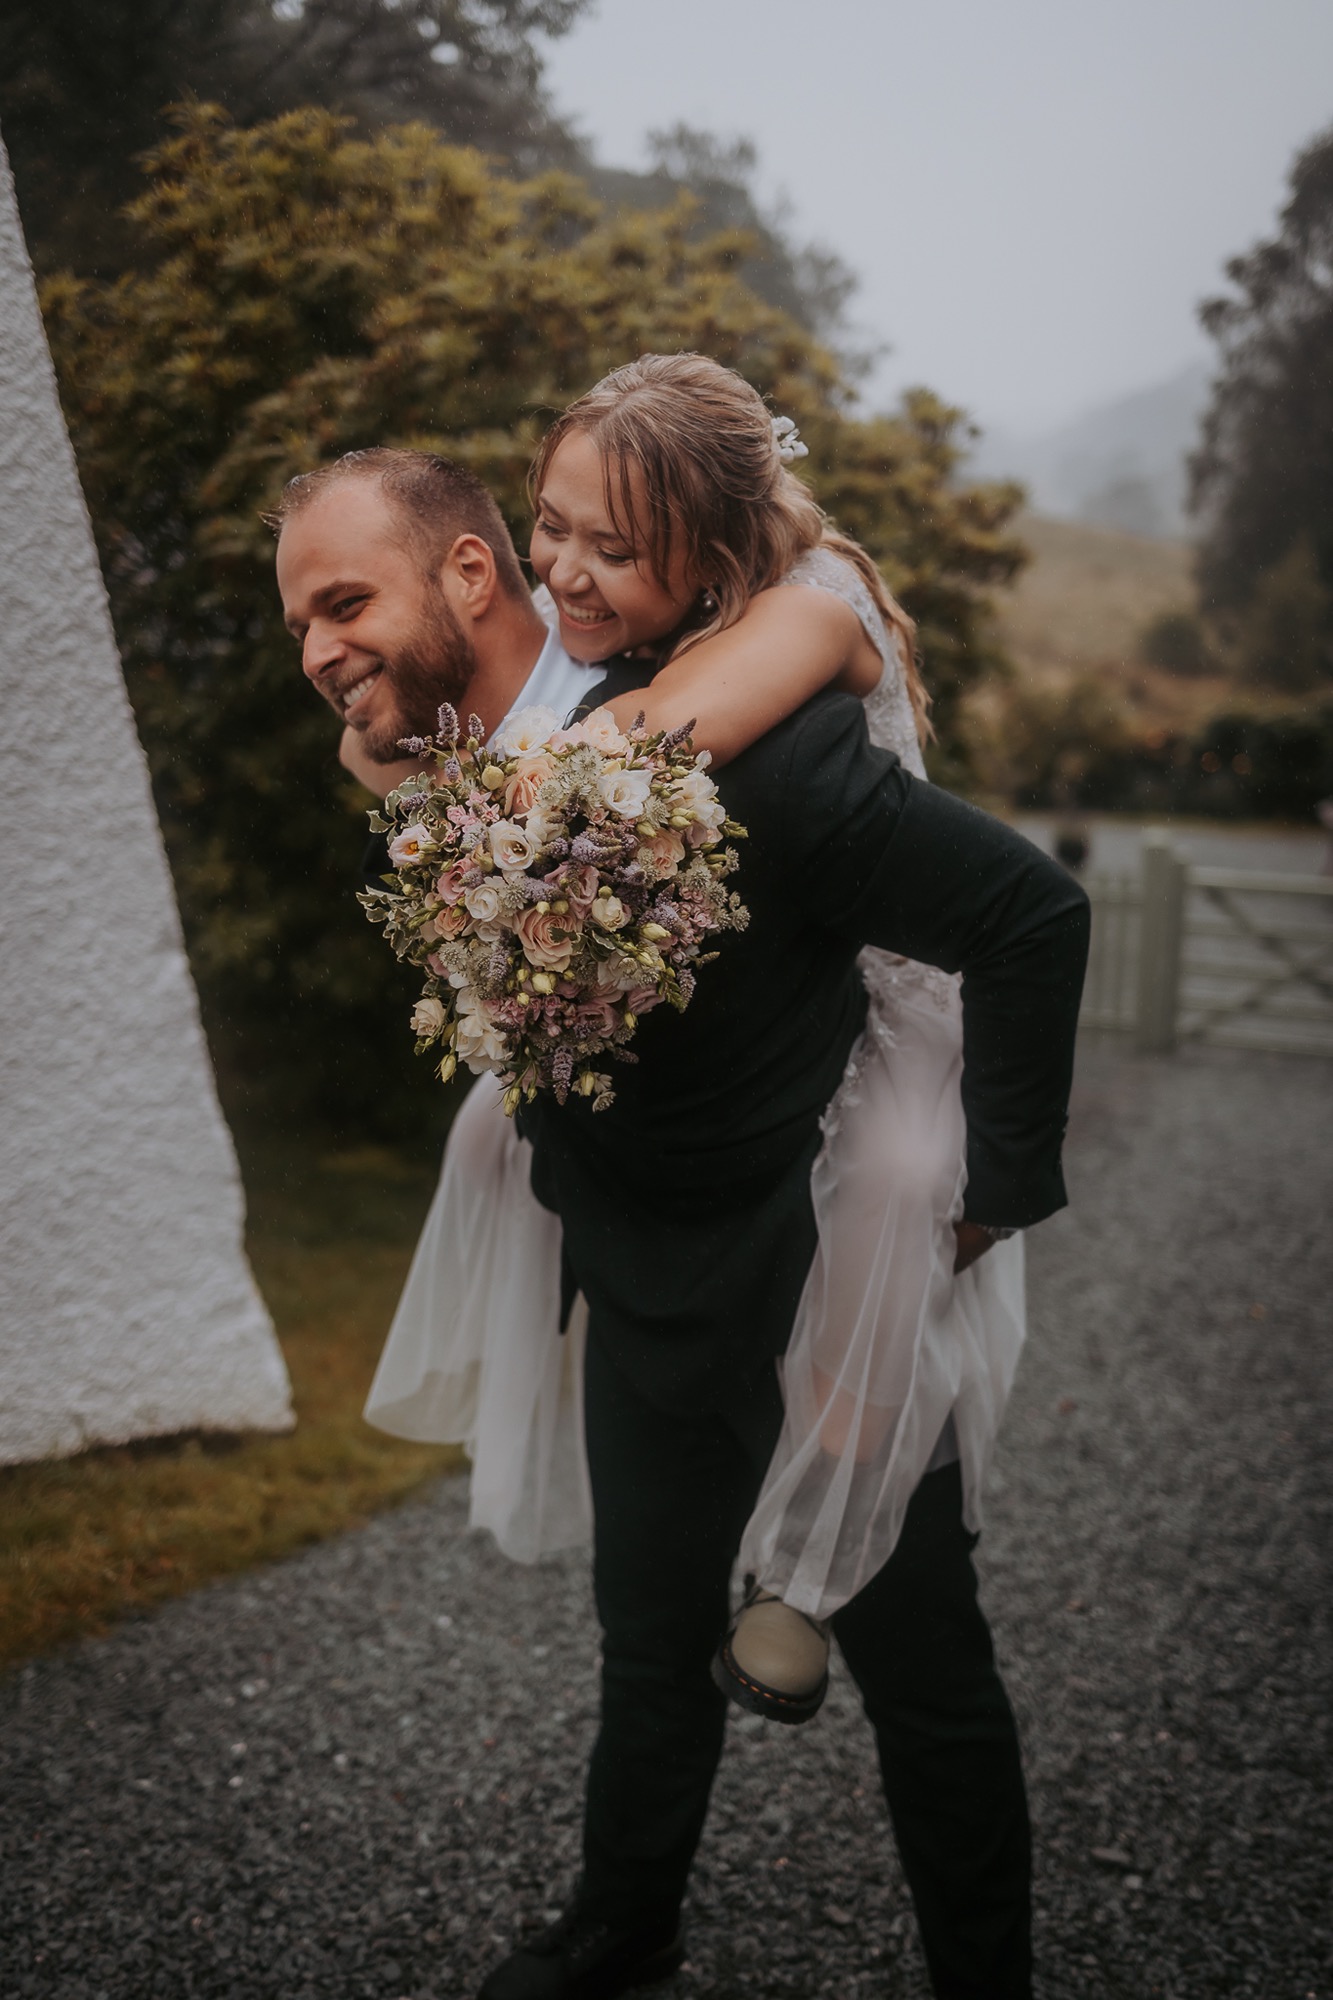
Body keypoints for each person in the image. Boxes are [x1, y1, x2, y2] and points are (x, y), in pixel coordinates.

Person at [273, 362, 1090, 2000]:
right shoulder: (471, 759)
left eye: (608, 545)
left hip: (824, 1273)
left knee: (924, 1667)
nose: (314, 654)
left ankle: (986, 1976)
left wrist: (989, 1194)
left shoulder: (766, 748)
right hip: (638, 1275)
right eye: (558, 525)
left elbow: (1031, 917)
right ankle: (620, 1923)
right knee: (643, 1635)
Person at [360, 361, 1027, 1730]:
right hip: (725, 1038)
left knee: (898, 1188)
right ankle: (547, 1346)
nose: (566, 570)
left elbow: (667, 728)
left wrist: (511, 796)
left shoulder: (810, 599)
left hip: (890, 990)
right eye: (554, 526)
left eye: (612, 545)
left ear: (711, 549)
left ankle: (818, 1527)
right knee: (491, 1129)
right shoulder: (635, 616)